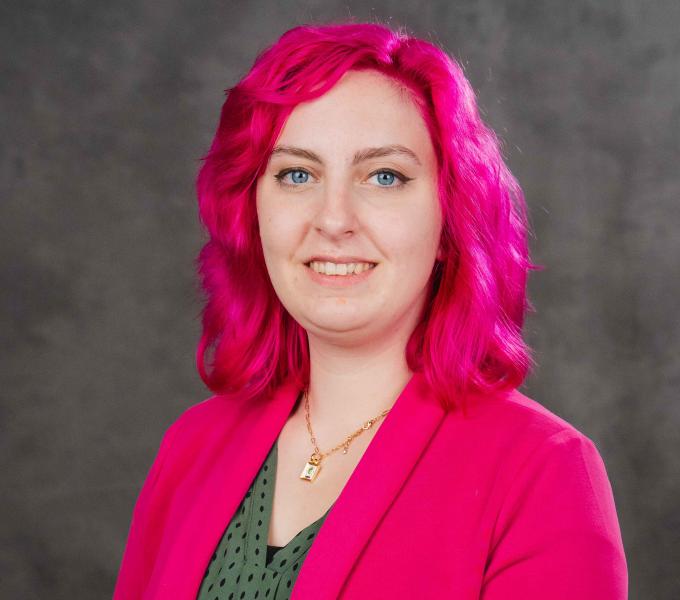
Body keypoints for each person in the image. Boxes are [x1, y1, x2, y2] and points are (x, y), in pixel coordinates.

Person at [112, 21, 628, 600]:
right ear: (252, 213)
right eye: (296, 174)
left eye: (385, 176)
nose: (333, 220)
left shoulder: (544, 473)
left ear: (449, 221)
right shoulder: (191, 449)